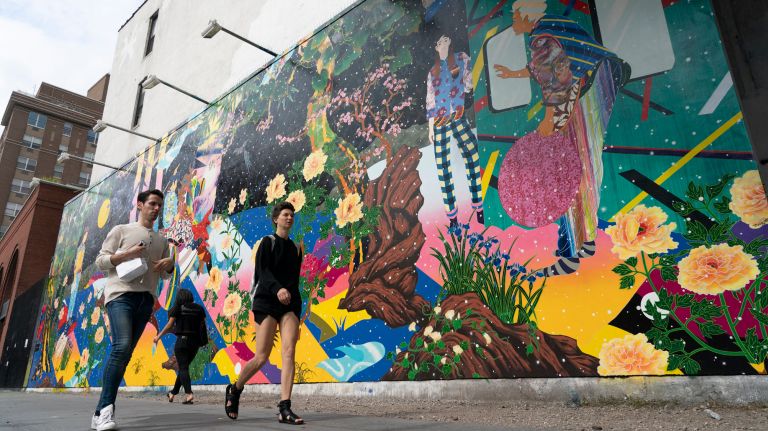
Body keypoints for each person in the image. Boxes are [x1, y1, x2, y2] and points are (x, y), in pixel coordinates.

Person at [493, 0, 629, 276]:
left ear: (524, 15)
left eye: (514, 14)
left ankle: (569, 255)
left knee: (569, 172)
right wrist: (513, 74)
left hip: (588, 86)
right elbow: (549, 68)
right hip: (603, 78)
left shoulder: (542, 38)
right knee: (587, 163)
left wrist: (548, 118)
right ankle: (586, 239)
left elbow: (556, 79)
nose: (512, 19)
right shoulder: (551, 26)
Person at [90, 189, 175, 431]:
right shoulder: (122, 231)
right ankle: (106, 411)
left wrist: (169, 265)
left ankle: (99, 413)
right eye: (152, 203)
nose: (156, 208)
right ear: (140, 204)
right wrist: (127, 254)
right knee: (122, 346)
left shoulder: (161, 241)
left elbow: (165, 274)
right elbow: (101, 261)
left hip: (145, 300)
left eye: (159, 205)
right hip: (119, 296)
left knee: (124, 354)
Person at [225, 201, 304, 424]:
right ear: (276, 219)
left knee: (289, 352)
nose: (289, 218)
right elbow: (263, 272)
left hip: (289, 304)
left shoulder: (296, 248)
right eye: (285, 214)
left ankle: (284, 407)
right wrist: (277, 289)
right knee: (261, 357)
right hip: (267, 301)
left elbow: (295, 280)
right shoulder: (267, 243)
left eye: (292, 215)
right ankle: (235, 388)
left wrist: (296, 308)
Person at [426, 34, 484, 227]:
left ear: (450, 42)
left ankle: (479, 205)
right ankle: (452, 218)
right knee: (443, 169)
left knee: (473, 156)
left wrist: (467, 81)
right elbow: (430, 102)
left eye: (446, 39)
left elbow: (469, 83)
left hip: (458, 115)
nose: (444, 42)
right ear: (436, 46)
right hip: (440, 120)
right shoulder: (433, 72)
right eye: (440, 41)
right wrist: (430, 129)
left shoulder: (461, 58)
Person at [154, 288, 207, 405]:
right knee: (184, 367)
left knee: (183, 368)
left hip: (182, 342)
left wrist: (158, 336)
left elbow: (169, 325)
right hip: (195, 343)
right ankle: (173, 393)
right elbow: (203, 325)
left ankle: (189, 394)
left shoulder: (177, 309)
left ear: (179, 298)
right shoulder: (199, 309)